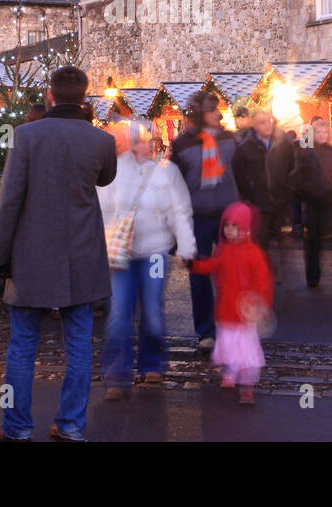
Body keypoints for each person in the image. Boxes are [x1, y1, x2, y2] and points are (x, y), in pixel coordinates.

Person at [0, 66, 118, 442]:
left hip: (31, 256)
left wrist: (0, 255)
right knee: (79, 344)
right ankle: (72, 425)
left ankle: (17, 428)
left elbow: (8, 201)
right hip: (82, 256)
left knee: (23, 345)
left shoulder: (26, 136)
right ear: (85, 98)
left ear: (50, 94)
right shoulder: (101, 140)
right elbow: (105, 178)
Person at [99, 119, 195, 399]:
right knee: (118, 314)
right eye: (139, 140)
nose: (145, 145)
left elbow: (179, 210)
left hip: (154, 252)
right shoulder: (113, 173)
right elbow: (102, 209)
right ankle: (117, 374)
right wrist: (105, 239)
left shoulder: (166, 172)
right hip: (121, 255)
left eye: (149, 140)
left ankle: (152, 364)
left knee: (153, 312)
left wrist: (186, 245)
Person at [170, 92, 239, 352]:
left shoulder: (229, 138)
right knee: (199, 276)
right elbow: (175, 185)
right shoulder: (181, 145)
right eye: (212, 110)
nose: (218, 114)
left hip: (227, 215)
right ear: (200, 113)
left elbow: (241, 174)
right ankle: (206, 332)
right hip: (196, 217)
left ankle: (228, 326)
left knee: (228, 274)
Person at [190, 202, 273, 405]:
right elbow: (212, 265)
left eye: (234, 226)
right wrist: (194, 265)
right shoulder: (223, 250)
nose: (229, 230)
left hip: (245, 314)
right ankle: (230, 373)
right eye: (226, 226)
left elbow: (263, 280)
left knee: (245, 351)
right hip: (226, 311)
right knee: (228, 345)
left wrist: (262, 303)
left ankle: (246, 386)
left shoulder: (253, 253)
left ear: (244, 228)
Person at [290, 116, 332, 287]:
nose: (323, 134)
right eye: (319, 132)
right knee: (313, 239)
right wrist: (302, 189)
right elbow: (297, 173)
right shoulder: (306, 152)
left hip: (326, 198)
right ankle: (312, 275)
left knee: (320, 236)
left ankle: (314, 271)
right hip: (311, 198)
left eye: (325, 131)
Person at [231, 109, 286, 244]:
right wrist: (250, 195)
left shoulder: (280, 143)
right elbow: (238, 174)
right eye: (262, 122)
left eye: (269, 121)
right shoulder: (244, 147)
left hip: (278, 203)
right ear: (254, 126)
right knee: (260, 244)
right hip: (258, 203)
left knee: (281, 248)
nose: (267, 125)